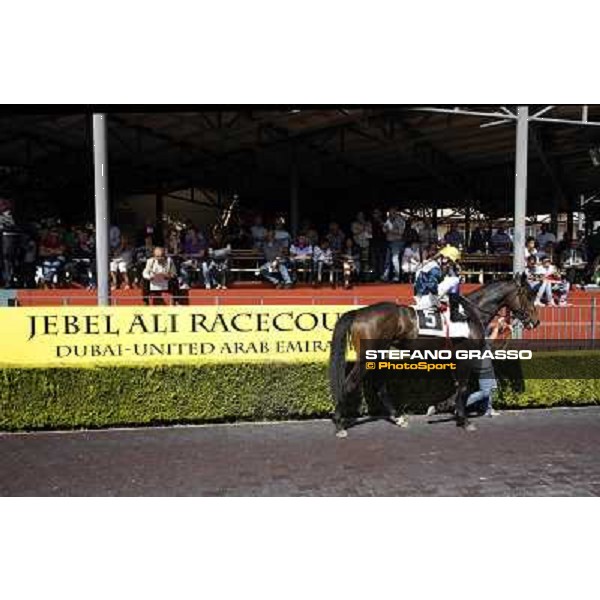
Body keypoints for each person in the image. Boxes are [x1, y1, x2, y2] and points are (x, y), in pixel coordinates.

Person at [414, 245, 467, 322]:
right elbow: (432, 288)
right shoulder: (435, 269)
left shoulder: (429, 263)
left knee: (449, 280)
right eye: (451, 262)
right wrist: (439, 305)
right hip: (426, 301)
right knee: (455, 280)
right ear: (446, 259)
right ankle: (454, 313)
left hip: (420, 296)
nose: (450, 265)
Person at [382, 206, 405, 282]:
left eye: (392, 212)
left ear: (395, 212)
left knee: (395, 259)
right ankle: (385, 275)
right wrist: (387, 228)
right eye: (389, 212)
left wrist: (391, 230)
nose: (390, 214)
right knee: (387, 259)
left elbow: (401, 232)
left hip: (397, 242)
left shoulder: (400, 220)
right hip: (388, 241)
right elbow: (384, 230)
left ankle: (397, 276)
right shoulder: (388, 220)